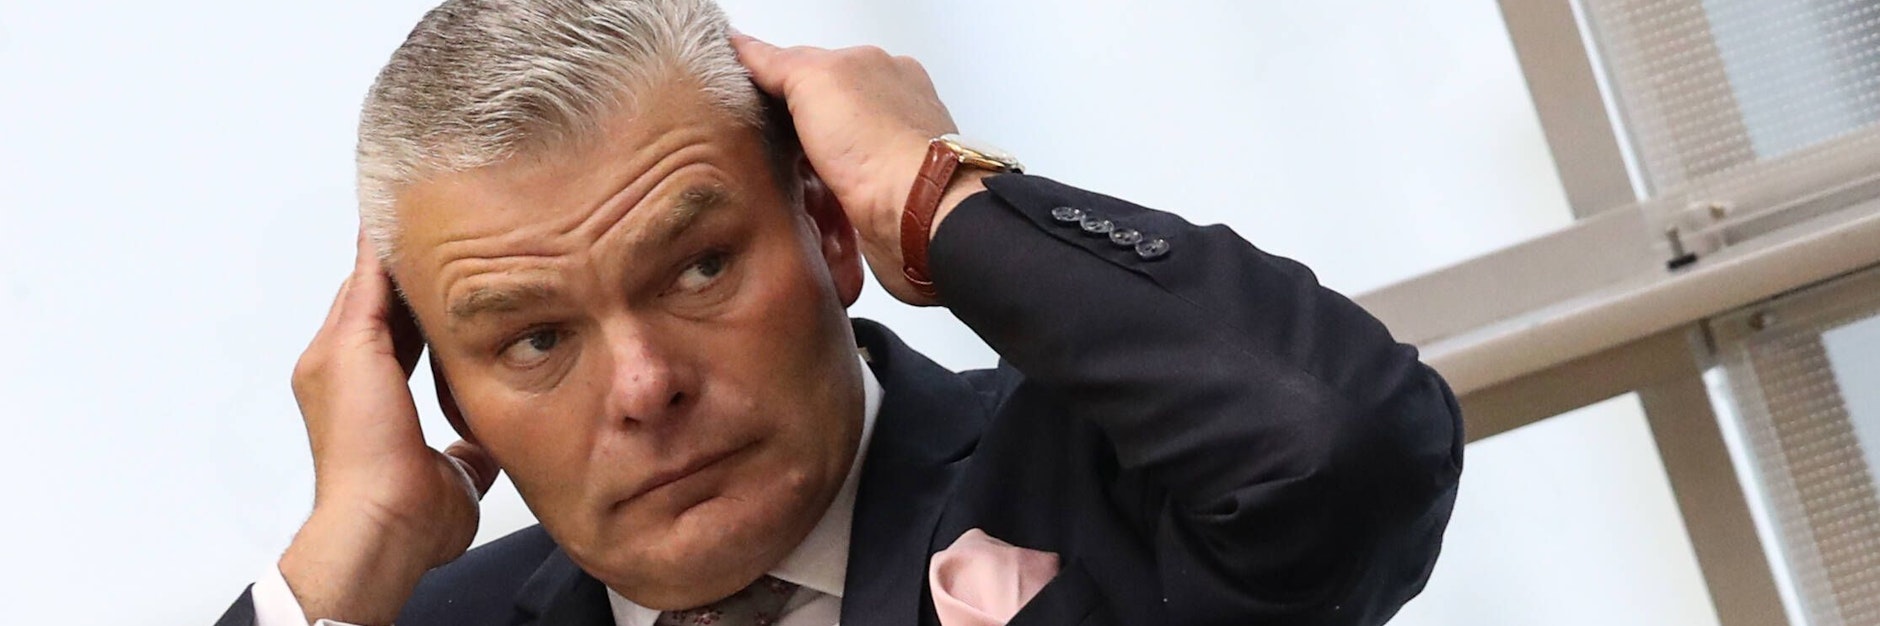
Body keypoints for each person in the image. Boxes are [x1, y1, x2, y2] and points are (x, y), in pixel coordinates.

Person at [213, 0, 1463, 624]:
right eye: (536, 337)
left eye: (697, 267)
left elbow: (1340, 444)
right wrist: (352, 546)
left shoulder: (1106, 482)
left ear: (825, 229)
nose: (644, 383)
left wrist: (941, 194)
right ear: (442, 387)